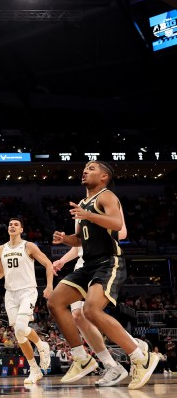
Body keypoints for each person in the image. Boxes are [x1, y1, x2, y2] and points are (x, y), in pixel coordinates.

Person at [47, 160, 159, 390]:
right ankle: (81, 358)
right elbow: (80, 240)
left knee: (90, 310)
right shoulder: (82, 203)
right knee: (55, 302)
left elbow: (118, 224)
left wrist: (88, 216)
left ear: (104, 177)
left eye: (91, 168)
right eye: (85, 168)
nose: (85, 171)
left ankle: (140, 357)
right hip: (88, 263)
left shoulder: (107, 196)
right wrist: (65, 239)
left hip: (108, 261)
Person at [52, 205, 129, 387]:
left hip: (103, 260)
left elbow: (122, 232)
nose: (85, 175)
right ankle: (110, 364)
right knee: (78, 315)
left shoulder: (106, 201)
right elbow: (80, 243)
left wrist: (98, 233)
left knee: (90, 312)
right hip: (83, 263)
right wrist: (62, 260)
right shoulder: (81, 207)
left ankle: (135, 350)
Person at [0, 218, 53, 385]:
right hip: (10, 293)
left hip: (27, 291)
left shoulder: (28, 246)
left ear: (21, 229)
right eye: (10, 224)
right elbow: (0, 272)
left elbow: (47, 263)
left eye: (16, 224)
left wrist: (50, 285)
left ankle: (41, 345)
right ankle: (34, 369)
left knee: (22, 327)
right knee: (18, 334)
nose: (12, 226)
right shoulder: (1, 249)